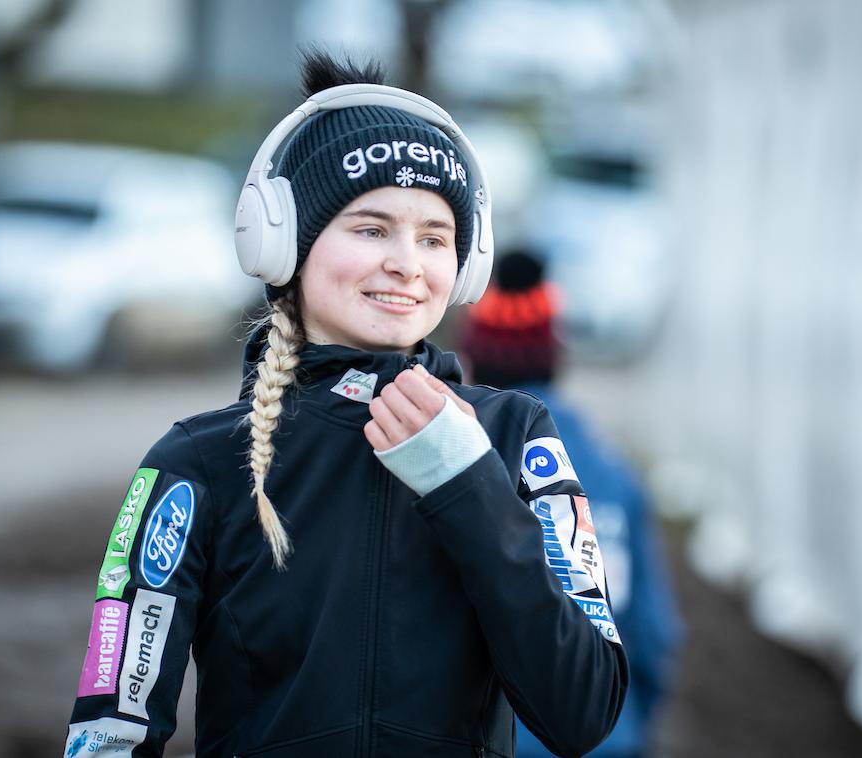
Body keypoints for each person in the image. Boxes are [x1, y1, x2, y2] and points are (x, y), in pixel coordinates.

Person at [63, 52, 627, 758]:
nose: (407, 263)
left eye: (434, 237)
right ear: (282, 242)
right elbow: (111, 728)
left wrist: (468, 483)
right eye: (370, 229)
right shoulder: (194, 466)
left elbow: (583, 711)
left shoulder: (514, 436)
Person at [458, 250, 682, 758]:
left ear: (472, 356)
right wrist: (631, 724)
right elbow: (654, 629)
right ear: (554, 354)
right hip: (606, 734)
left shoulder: (447, 468)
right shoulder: (612, 472)